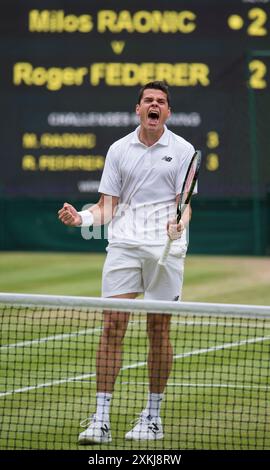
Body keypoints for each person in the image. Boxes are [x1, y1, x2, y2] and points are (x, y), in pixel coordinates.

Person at [58, 81, 196, 444]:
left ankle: (152, 417)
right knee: (113, 326)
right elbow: (107, 207)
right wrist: (82, 220)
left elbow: (185, 203)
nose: (154, 105)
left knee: (158, 331)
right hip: (124, 245)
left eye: (161, 102)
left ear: (168, 112)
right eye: (148, 100)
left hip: (166, 248)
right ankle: (100, 419)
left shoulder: (183, 150)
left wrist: (180, 223)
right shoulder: (119, 149)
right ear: (138, 109)